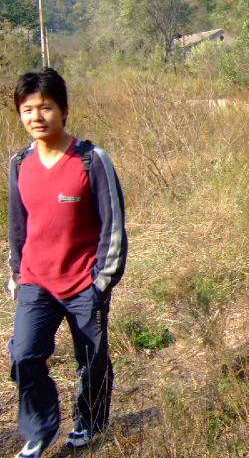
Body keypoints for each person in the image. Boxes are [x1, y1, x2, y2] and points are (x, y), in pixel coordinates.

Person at [8, 68, 127, 458]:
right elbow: (18, 225)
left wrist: (101, 282)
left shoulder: (91, 160)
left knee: (90, 359)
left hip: (83, 282)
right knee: (24, 354)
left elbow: (112, 224)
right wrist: (16, 272)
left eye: (45, 107)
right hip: (36, 281)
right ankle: (39, 430)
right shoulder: (19, 164)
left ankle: (89, 422)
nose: (36, 117)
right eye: (27, 109)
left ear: (64, 110)